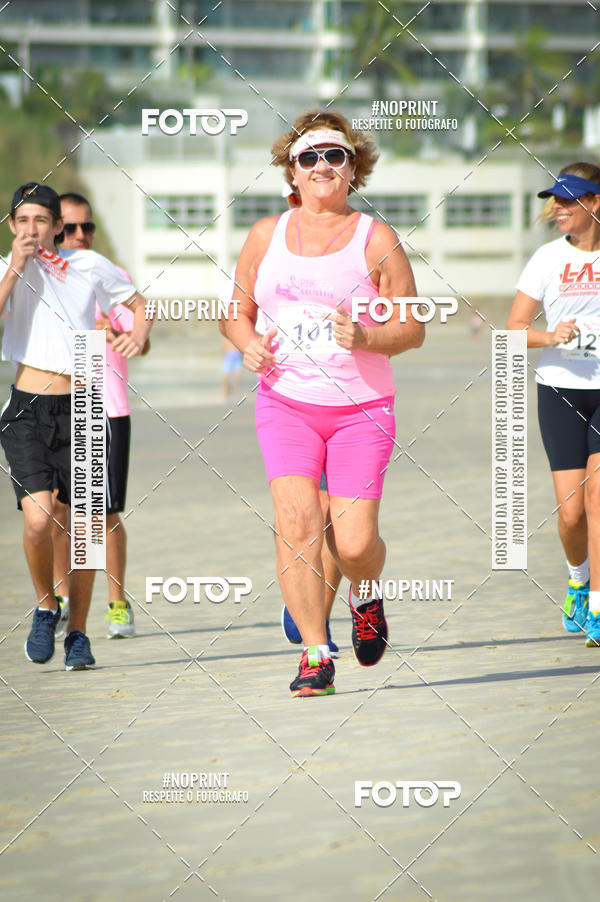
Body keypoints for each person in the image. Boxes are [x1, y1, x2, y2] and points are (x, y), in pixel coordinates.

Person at [223, 111, 424, 696]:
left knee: (354, 542)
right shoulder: (265, 235)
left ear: (353, 166)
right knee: (296, 523)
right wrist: (247, 345)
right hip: (285, 403)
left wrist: (367, 337)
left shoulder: (376, 238)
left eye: (334, 156)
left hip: (361, 407)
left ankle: (367, 594)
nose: (321, 167)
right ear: (292, 168)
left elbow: (412, 328)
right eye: (308, 157)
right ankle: (315, 652)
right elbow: (235, 315)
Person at [0, 182, 153, 669]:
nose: (31, 229)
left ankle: (79, 635)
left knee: (86, 530)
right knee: (40, 520)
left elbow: (138, 304)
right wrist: (16, 266)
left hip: (84, 404)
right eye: (22, 221)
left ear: (57, 227)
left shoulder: (88, 266)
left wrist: (138, 336)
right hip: (27, 407)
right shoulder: (6, 270)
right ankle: (47, 605)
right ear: (11, 226)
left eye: (41, 221)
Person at [506, 162, 600, 647]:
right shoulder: (546, 258)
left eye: (571, 199)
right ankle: (578, 582)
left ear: (596, 202)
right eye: (556, 200)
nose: (559, 208)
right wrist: (551, 334)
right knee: (570, 514)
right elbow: (513, 331)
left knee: (597, 499)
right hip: (560, 387)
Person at [51, 192, 148, 639]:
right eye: (70, 228)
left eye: (87, 227)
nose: (80, 236)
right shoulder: (40, 276)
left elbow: (140, 340)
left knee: (102, 514)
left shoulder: (112, 274)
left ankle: (115, 603)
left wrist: (116, 333)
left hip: (104, 406)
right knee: (56, 512)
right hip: (51, 407)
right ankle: (61, 601)